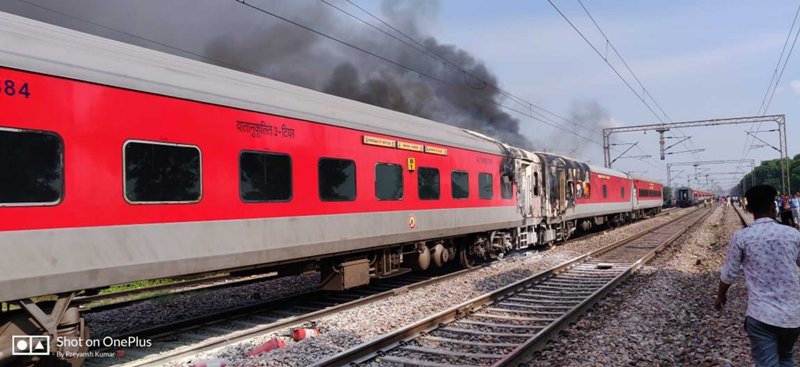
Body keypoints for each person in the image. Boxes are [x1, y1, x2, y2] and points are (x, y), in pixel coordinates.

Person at [716, 185, 800, 367]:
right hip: (793, 316)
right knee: (786, 358)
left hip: (761, 315)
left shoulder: (742, 237)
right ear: (772, 207)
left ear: (748, 209)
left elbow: (730, 273)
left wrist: (720, 296)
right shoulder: (793, 234)